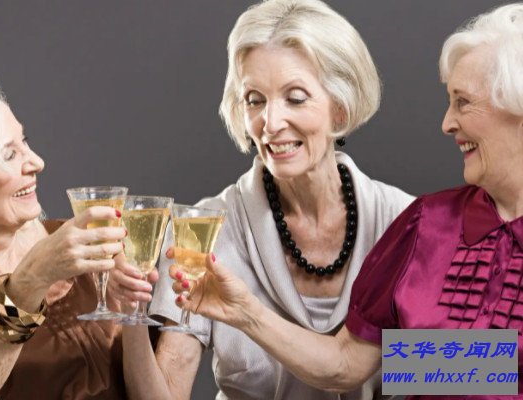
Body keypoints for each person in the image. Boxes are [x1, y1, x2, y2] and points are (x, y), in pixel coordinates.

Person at [165, 3, 523, 400]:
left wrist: (491, 364)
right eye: (255, 99)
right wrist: (246, 313)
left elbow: (403, 369)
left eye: (463, 102)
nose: (446, 123)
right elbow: (348, 365)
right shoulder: (429, 224)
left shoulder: (394, 211)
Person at [119, 0, 413, 398]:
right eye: (254, 100)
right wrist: (130, 315)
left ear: (340, 109)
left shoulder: (407, 223)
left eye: (296, 98)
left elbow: (470, 373)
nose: (270, 124)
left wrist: (389, 360)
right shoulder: (203, 227)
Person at [0, 73, 132, 399]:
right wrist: (27, 284)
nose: (37, 162)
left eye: (25, 142)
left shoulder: (84, 244)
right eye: (9, 154)